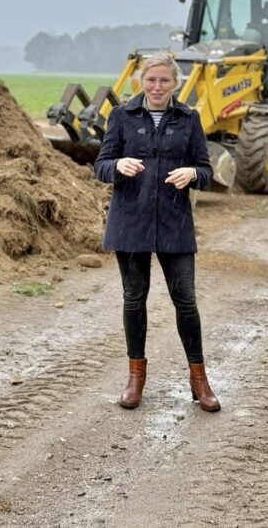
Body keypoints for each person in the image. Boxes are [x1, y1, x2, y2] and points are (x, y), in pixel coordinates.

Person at [93, 52, 220, 413]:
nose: (157, 86)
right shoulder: (122, 117)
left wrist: (193, 174)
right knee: (134, 299)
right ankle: (135, 379)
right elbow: (101, 166)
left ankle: (200, 380)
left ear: (175, 83)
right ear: (141, 81)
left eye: (165, 80)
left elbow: (206, 171)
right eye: (151, 80)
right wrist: (117, 164)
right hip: (130, 221)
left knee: (186, 301)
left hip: (173, 223)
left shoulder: (189, 119)